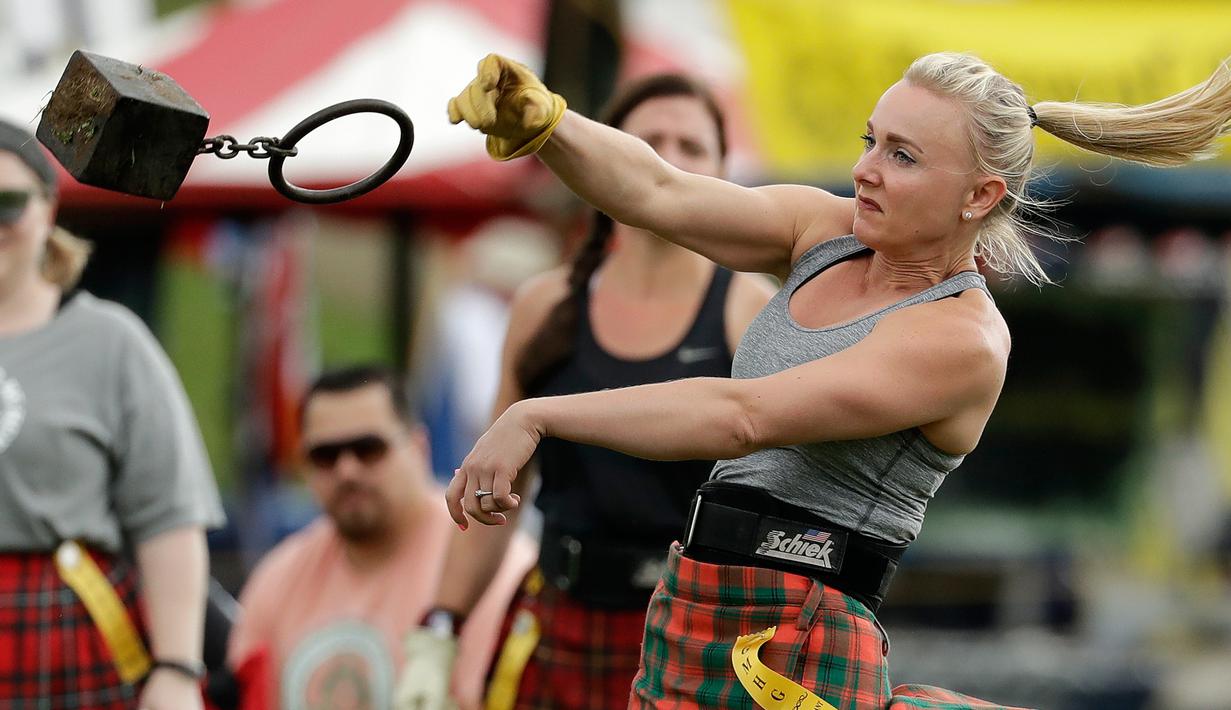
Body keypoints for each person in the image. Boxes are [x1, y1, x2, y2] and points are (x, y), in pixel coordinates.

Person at [444, 53, 1231, 708]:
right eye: (870, 140)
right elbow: (658, 192)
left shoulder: (958, 339)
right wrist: (546, 123)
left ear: (979, 196)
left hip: (794, 639)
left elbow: (742, 418)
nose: (863, 171)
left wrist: (538, 415)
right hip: (692, 605)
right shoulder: (824, 232)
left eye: (901, 156)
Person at [412, 72, 776, 710]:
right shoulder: (544, 306)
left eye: (691, 146)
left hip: (701, 635)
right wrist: (440, 628)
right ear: (604, 160)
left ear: (724, 172)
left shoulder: (752, 311)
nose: (667, 161)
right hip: (559, 621)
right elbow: (496, 495)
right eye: (649, 142)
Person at [0, 119, 225, 710]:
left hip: (60, 634)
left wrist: (177, 669)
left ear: (48, 210)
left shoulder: (110, 342)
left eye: (8, 203)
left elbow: (167, 518)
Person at [226, 365, 534, 710]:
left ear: (418, 447)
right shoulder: (277, 579)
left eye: (368, 449)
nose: (347, 471)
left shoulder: (489, 566)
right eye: (325, 456)